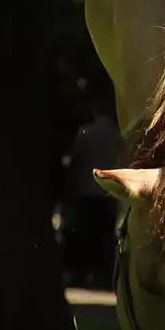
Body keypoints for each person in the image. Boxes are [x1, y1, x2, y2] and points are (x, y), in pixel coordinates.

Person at [61, 102, 124, 288]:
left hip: (86, 192)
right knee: (104, 238)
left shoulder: (85, 133)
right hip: (108, 193)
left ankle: (80, 274)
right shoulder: (117, 135)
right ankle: (103, 276)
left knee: (85, 236)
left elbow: (75, 159)